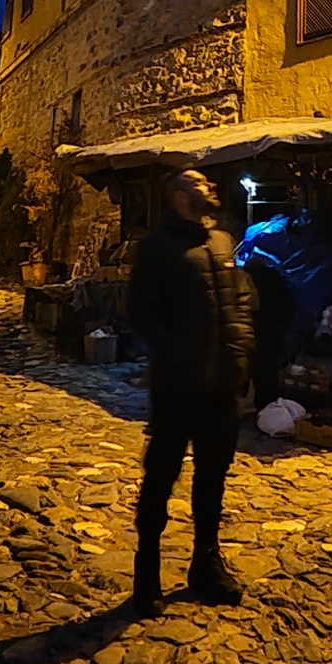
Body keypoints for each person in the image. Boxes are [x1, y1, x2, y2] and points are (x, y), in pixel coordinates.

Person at [128, 165, 256, 613]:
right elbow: (141, 313)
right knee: (160, 479)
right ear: (180, 195)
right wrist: (177, 354)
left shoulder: (222, 243)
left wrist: (241, 356)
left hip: (221, 388)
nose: (211, 188)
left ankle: (206, 564)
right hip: (177, 389)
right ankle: (146, 577)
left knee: (212, 480)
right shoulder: (157, 249)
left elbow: (239, 300)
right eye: (200, 183)